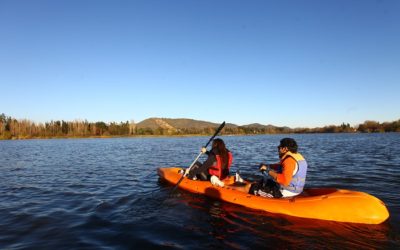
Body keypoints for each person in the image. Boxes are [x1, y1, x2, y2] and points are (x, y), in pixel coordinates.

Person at [230, 138, 308, 198]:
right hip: (295, 190)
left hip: (285, 192)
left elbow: (284, 180)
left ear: (285, 149)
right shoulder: (297, 157)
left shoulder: (289, 161)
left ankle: (225, 188)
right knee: (259, 182)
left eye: (279, 147)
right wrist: (268, 166)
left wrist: (268, 170)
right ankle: (243, 183)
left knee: (249, 188)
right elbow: (281, 167)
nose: (278, 149)